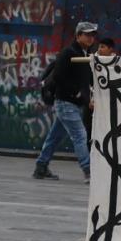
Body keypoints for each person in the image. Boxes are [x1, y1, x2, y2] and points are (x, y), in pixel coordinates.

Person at [33, 21, 96, 183]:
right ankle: (88, 171)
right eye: (87, 34)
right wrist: (74, 93)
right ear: (78, 35)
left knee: (54, 136)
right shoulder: (69, 52)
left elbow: (87, 79)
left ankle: (41, 166)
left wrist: (89, 95)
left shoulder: (85, 54)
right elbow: (58, 76)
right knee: (80, 135)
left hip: (72, 103)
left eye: (92, 35)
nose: (90, 38)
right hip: (65, 102)